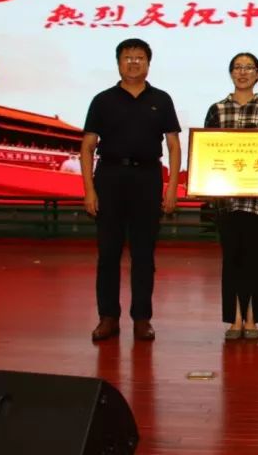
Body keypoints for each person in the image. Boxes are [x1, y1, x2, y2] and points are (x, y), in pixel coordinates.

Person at [81, 38, 181, 342]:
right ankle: (108, 317)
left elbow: (174, 146)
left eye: (139, 58)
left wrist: (172, 188)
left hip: (147, 178)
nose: (133, 62)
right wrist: (89, 190)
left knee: (143, 254)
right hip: (109, 177)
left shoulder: (161, 99)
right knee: (108, 253)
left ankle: (142, 318)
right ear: (118, 62)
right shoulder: (102, 100)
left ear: (148, 63)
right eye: (127, 57)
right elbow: (87, 147)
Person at [204, 53, 258, 340]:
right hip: (226, 199)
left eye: (249, 68)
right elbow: (207, 151)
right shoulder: (217, 109)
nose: (243, 72)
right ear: (231, 73)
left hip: (257, 199)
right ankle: (234, 319)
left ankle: (252, 319)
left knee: (254, 258)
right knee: (231, 259)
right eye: (237, 67)